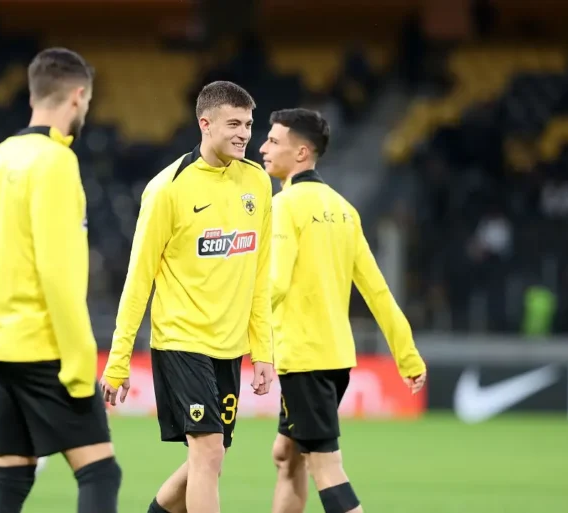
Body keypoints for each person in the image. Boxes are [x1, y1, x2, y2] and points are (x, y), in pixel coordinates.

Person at [100, 80, 274, 513]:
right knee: (208, 452)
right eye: (234, 124)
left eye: (248, 124)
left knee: (211, 458)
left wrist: (263, 350)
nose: (244, 134)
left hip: (229, 347)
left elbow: (260, 274)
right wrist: (119, 360)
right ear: (205, 124)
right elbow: (138, 279)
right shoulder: (168, 189)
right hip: (182, 341)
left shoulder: (258, 182)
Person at [0, 47, 121, 513]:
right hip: (42, 347)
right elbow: (58, 273)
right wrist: (79, 362)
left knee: (12, 478)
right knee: (100, 472)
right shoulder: (55, 161)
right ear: (77, 96)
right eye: (88, 101)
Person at [259, 108, 427, 513]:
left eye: (273, 141)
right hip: (335, 359)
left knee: (326, 467)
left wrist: (242, 329)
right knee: (286, 455)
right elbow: (377, 291)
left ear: (301, 153)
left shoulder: (285, 206)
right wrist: (406, 354)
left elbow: (275, 283)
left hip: (304, 359)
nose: (262, 147)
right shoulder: (344, 210)